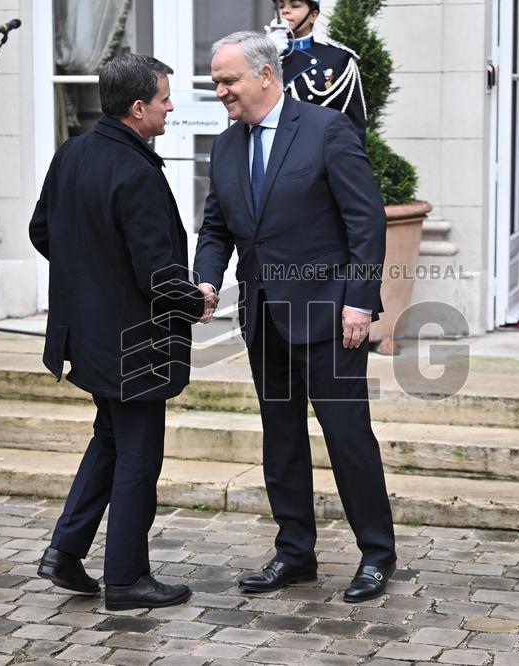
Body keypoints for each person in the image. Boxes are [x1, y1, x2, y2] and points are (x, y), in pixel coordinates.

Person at [194, 31, 396, 603]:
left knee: (347, 437)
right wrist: (206, 279)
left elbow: (366, 221)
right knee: (281, 439)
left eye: (228, 80)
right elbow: (216, 227)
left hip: (331, 316)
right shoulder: (226, 145)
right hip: (264, 318)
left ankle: (377, 554)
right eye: (216, 82)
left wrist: (360, 300)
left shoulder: (327, 129)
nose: (220, 91)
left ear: (265, 75)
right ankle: (294, 553)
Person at [29, 53, 210, 611]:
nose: (171, 107)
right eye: (164, 99)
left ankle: (65, 552)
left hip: (90, 336)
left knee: (109, 441)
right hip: (136, 344)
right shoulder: (136, 171)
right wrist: (198, 301)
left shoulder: (71, 153)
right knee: (138, 457)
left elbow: (42, 232)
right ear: (137, 108)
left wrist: (92, 278)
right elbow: (157, 274)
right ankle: (127, 579)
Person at [265, 0, 367, 144]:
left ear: (313, 15)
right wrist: (266, 54)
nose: (285, 11)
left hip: (317, 147)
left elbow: (353, 124)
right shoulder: (261, 55)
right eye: (281, 6)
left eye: (295, 6)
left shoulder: (337, 58)